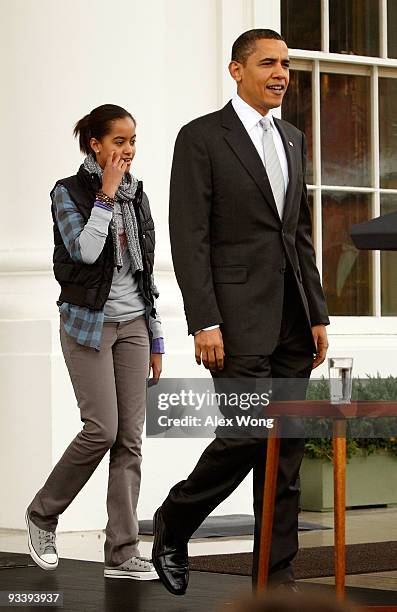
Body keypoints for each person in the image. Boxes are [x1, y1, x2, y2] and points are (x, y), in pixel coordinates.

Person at [152, 29, 329, 595]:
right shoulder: (201, 138)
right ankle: (174, 522)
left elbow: (298, 235)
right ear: (237, 70)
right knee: (247, 436)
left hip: (293, 324)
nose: (281, 73)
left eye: (286, 65)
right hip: (233, 323)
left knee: (288, 454)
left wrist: (318, 313)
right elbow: (189, 236)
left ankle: (275, 579)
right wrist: (204, 320)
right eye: (268, 63)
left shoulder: (294, 138)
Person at [26, 104, 164, 580]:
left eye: (132, 141)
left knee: (130, 439)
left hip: (134, 328)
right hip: (88, 326)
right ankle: (43, 514)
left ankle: (123, 553)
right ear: (96, 144)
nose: (128, 150)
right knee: (101, 429)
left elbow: (145, 275)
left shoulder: (138, 196)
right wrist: (104, 195)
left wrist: (157, 338)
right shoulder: (68, 193)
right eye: (119, 141)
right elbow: (84, 252)